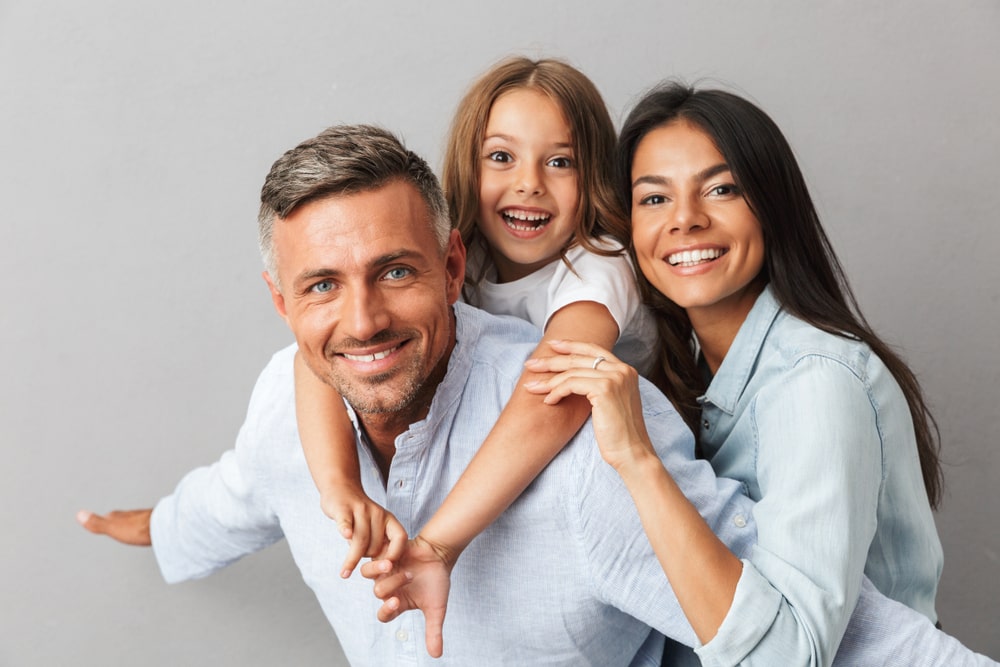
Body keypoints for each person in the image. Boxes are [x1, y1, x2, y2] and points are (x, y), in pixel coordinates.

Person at [77, 123, 993, 667]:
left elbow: (831, 637)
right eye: (322, 285)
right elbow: (232, 493)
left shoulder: (593, 447)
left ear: (453, 264)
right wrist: (154, 525)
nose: (362, 319)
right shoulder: (290, 403)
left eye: (396, 271)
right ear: (281, 302)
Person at [524, 82, 954, 665]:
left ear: (772, 204)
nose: (685, 220)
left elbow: (786, 656)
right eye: (654, 199)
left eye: (721, 189)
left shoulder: (816, 382)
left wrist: (638, 460)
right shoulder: (690, 370)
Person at [293, 57, 656, 583]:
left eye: (560, 162)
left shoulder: (600, 263)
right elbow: (316, 360)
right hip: (497, 448)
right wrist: (341, 488)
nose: (529, 183)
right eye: (502, 157)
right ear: (469, 165)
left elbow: (554, 393)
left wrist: (439, 545)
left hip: (601, 469)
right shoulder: (461, 254)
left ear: (593, 175)